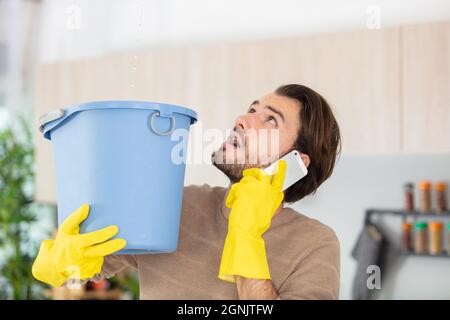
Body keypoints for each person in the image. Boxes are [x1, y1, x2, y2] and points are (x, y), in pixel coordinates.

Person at [32, 84, 342, 300]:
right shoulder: (177, 204)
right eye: (251, 109)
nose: (242, 120)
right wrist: (61, 261)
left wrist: (246, 234)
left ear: (296, 163)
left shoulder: (315, 244)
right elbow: (80, 269)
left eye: (270, 119)